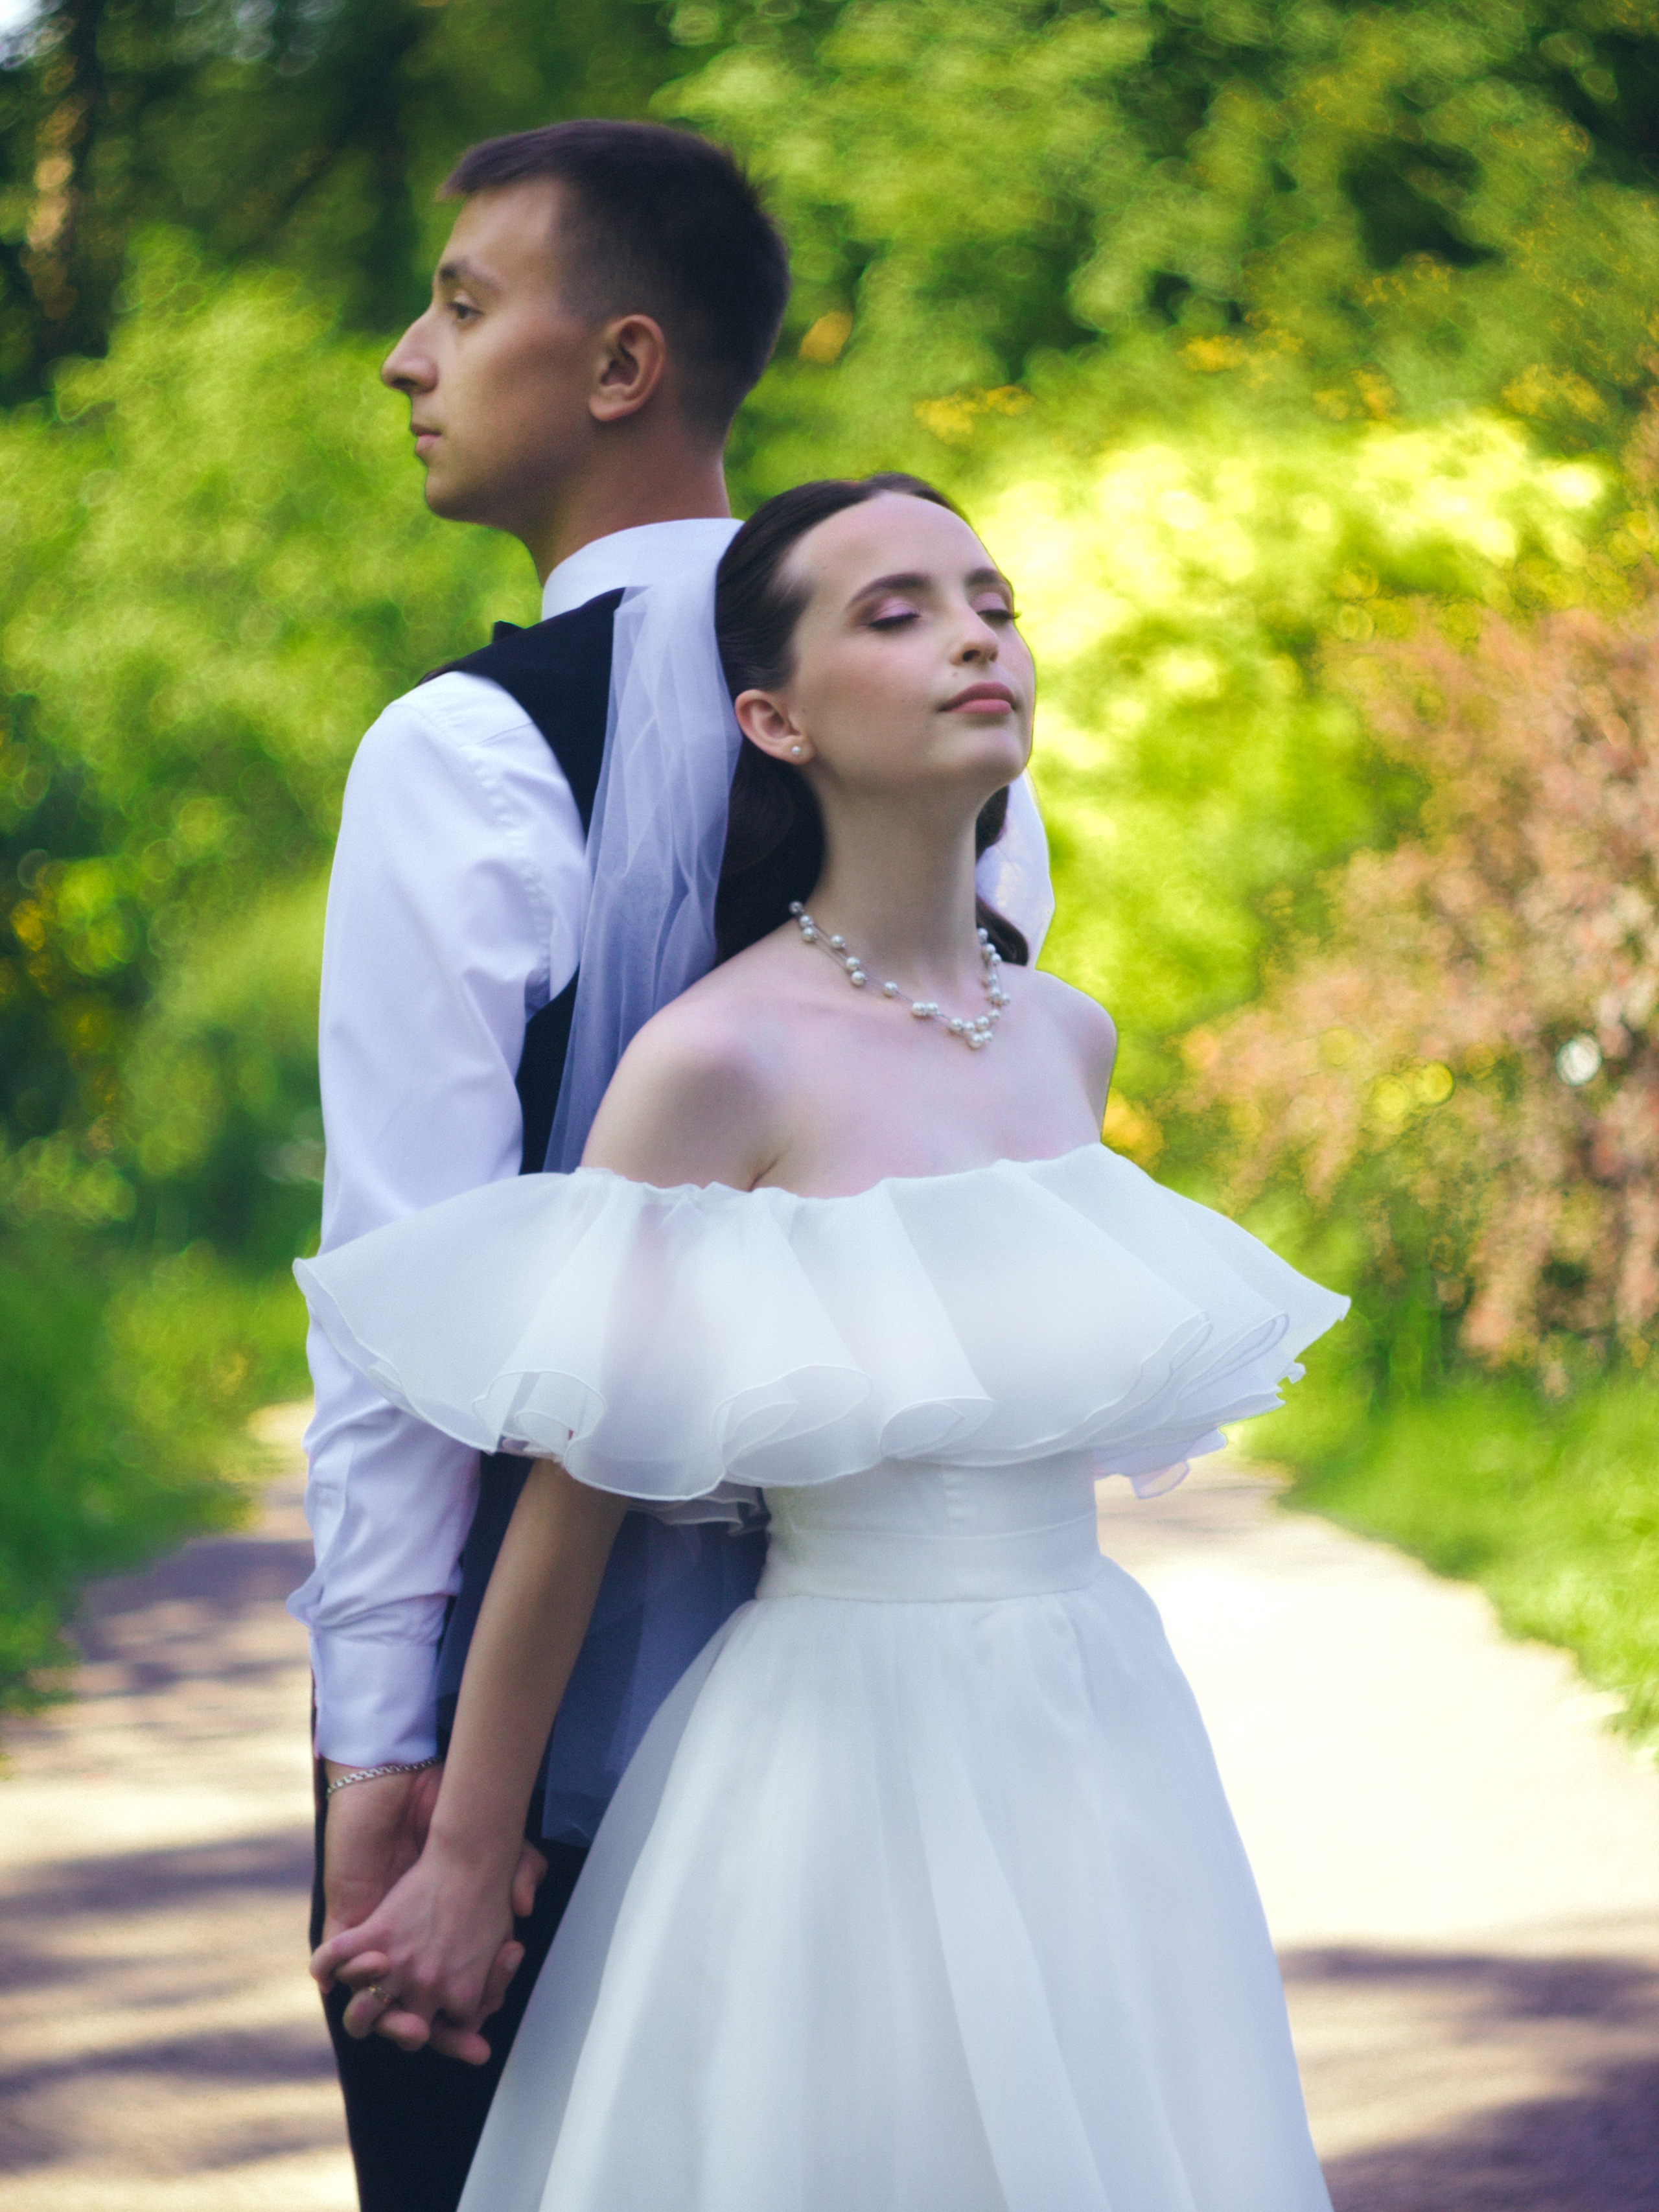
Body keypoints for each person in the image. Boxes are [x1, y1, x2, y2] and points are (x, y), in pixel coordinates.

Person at [298, 476, 1345, 2210]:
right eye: (897, 613)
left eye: (991, 602)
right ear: (771, 719)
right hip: (837, 1754)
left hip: (1097, 1725)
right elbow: (573, 1501)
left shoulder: (1065, 1038)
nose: (974, 639)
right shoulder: (719, 1062)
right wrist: (465, 1859)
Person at [293, 121, 1055, 2211]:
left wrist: (385, 1745)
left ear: (623, 363)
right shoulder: (953, 749)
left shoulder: (459, 748)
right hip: (897, 1700)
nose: (404, 359)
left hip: (508, 1736)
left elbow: (407, 1302)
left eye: (460, 303)